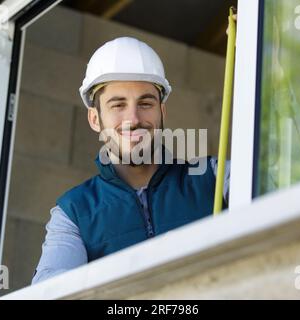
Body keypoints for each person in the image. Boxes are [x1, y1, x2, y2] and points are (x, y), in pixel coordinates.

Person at [32, 37, 230, 284]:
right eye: (118, 105)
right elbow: (49, 290)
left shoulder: (215, 177)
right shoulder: (73, 212)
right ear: (95, 119)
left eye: (145, 103)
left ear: (162, 112)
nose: (134, 118)